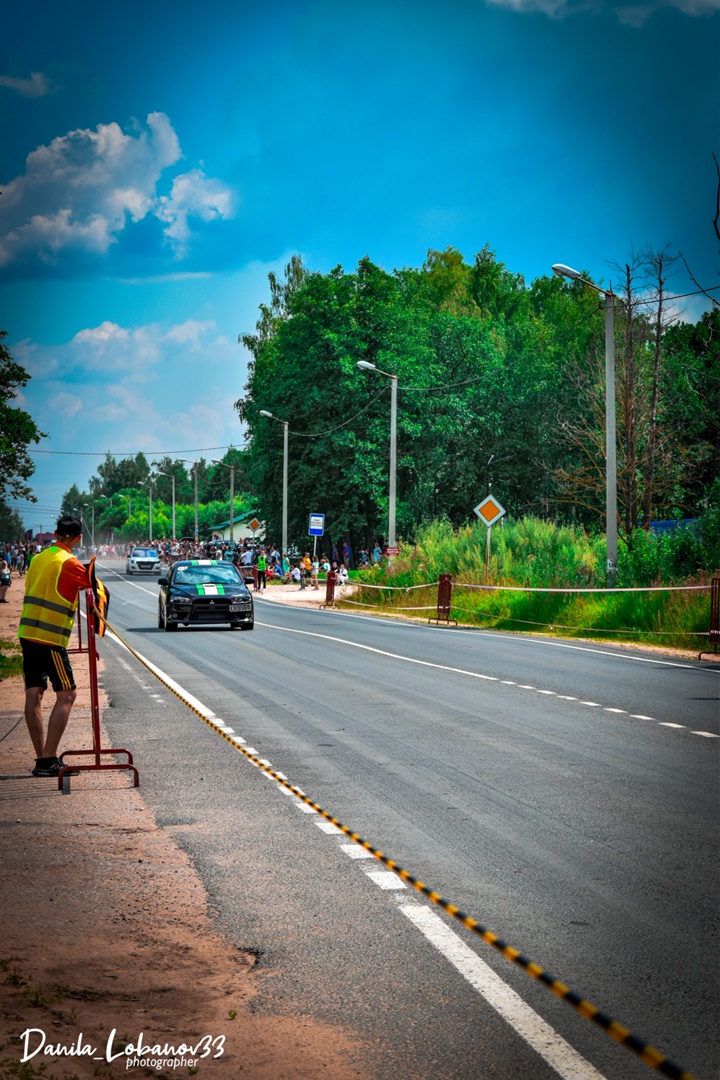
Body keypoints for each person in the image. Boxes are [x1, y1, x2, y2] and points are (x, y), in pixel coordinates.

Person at [17, 514, 93, 778]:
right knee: (67, 695)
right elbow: (90, 584)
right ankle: (48, 759)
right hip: (50, 639)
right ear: (77, 538)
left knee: (34, 693)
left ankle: (42, 757)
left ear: (55, 533)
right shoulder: (68, 562)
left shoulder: (37, 559)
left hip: (27, 633)